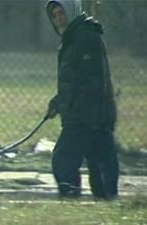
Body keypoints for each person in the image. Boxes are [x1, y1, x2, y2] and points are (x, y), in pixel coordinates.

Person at [45, 0, 119, 200]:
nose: (59, 18)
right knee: (100, 166)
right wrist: (58, 101)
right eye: (55, 15)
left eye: (62, 13)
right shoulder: (74, 37)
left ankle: (71, 199)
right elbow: (76, 80)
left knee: (64, 159)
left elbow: (92, 82)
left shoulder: (85, 37)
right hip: (90, 114)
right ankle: (106, 203)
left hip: (88, 116)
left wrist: (70, 108)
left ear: (72, 11)